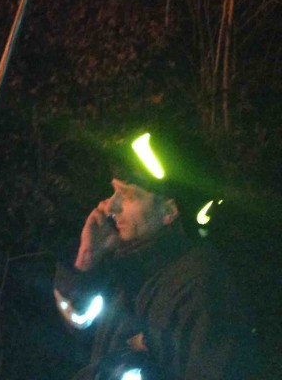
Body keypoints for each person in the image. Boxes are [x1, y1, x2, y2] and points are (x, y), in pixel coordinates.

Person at [54, 127, 258, 380]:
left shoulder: (200, 287)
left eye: (127, 196)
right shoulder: (130, 266)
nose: (110, 206)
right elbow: (81, 331)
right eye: (114, 191)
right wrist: (87, 258)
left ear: (169, 212)